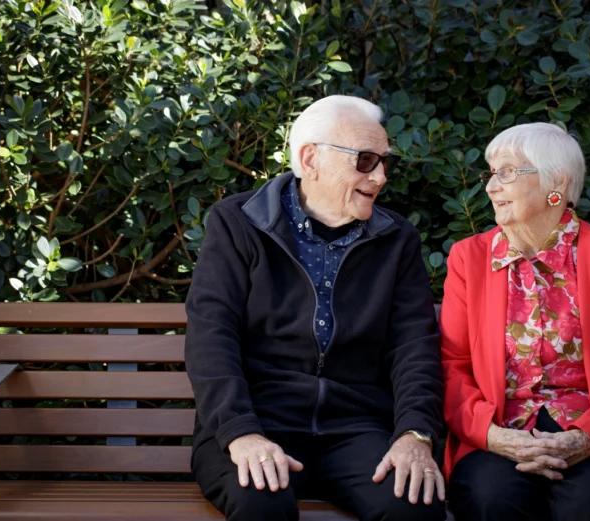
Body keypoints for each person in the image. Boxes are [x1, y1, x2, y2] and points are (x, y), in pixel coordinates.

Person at [184, 95, 446, 521]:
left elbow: (413, 346)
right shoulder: (237, 223)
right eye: (365, 160)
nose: (380, 176)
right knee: (261, 503)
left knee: (414, 505)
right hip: (258, 422)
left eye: (384, 162)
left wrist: (415, 434)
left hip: (357, 430)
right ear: (310, 159)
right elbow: (211, 336)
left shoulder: (397, 238)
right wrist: (241, 432)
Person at [440, 122, 590, 521]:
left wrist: (585, 438)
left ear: (557, 183)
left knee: (586, 505)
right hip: (499, 435)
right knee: (490, 500)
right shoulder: (469, 259)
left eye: (507, 172)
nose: (492, 187)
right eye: (490, 174)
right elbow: (451, 368)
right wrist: (493, 436)